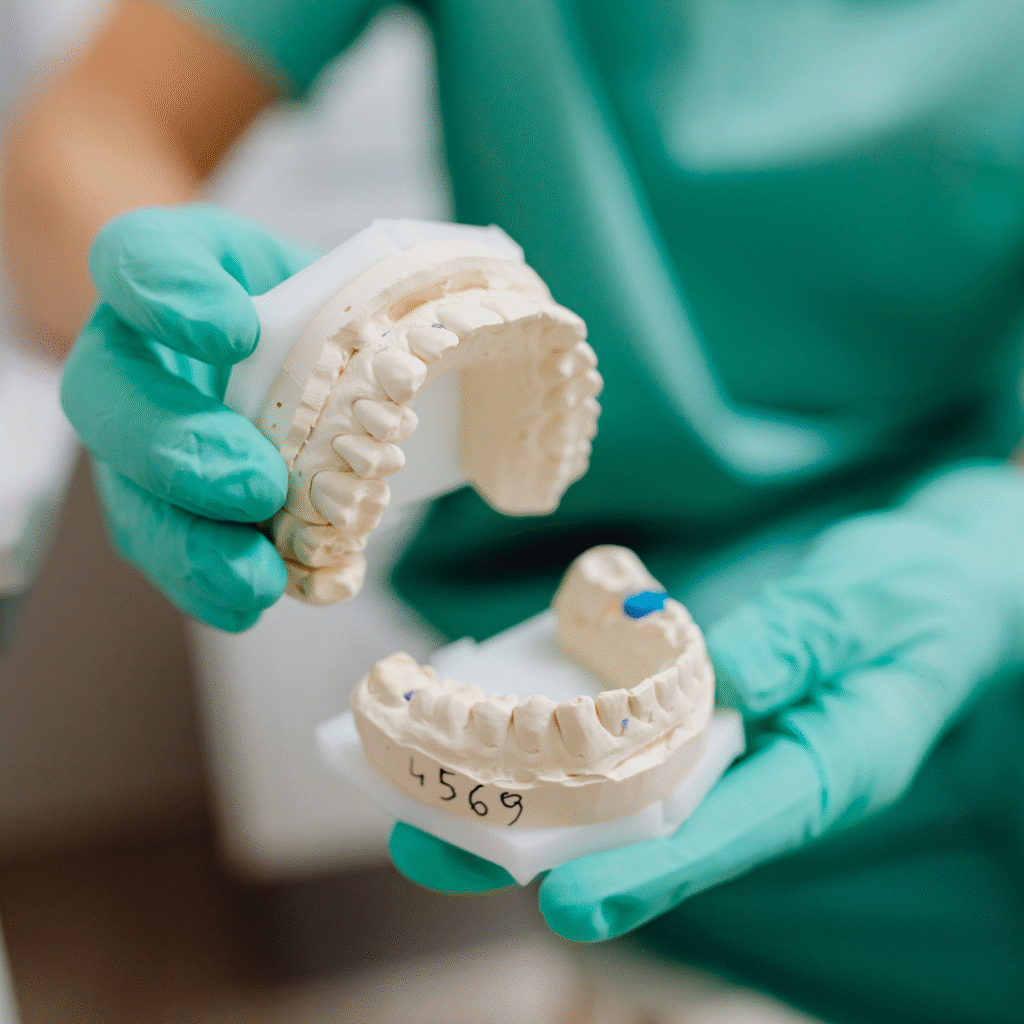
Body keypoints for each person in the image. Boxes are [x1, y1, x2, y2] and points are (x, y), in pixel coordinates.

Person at [4, 1, 1024, 1020]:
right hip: (589, 622)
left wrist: (1002, 531)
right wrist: (189, 337)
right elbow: (89, 132)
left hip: (973, 544)